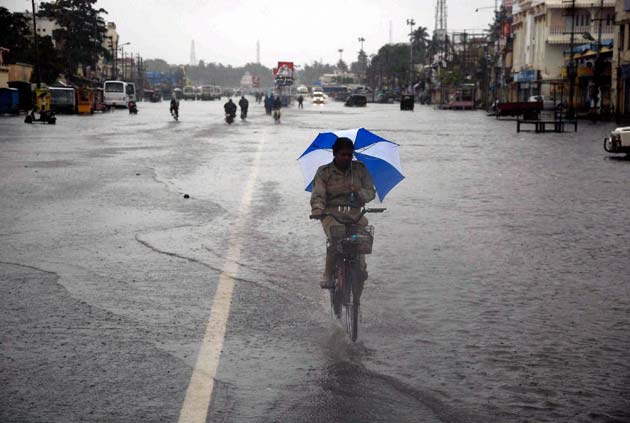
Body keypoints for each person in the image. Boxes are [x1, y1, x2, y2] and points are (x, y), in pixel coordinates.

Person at [310, 137, 376, 289]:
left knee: (362, 240)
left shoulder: (360, 169)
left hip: (356, 215)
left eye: (349, 155)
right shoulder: (324, 172)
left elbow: (370, 193)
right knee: (336, 239)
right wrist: (317, 210)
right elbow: (318, 194)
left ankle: (361, 266)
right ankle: (327, 273)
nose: (346, 158)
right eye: (343, 154)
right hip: (331, 215)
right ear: (335, 154)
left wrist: (358, 190)